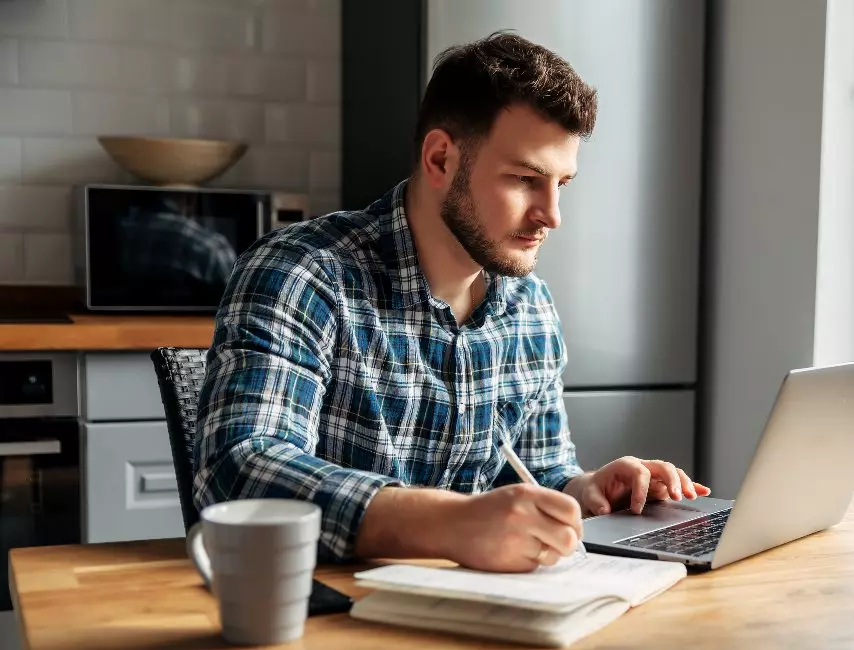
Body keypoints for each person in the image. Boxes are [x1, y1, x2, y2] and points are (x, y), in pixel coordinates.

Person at [193, 32, 709, 573]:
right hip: (322, 620)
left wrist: (585, 492)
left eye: (562, 183)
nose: (551, 215)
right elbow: (240, 469)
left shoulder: (529, 309)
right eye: (525, 179)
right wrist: (450, 524)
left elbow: (535, 474)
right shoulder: (303, 274)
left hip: (479, 628)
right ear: (440, 159)